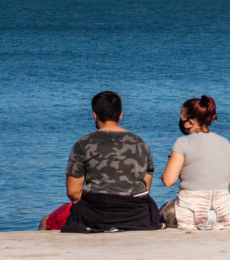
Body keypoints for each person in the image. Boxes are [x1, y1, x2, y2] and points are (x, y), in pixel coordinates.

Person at [39, 91, 162, 232]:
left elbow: (73, 192)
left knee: (46, 222)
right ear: (120, 115)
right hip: (137, 215)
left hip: (96, 214)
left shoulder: (83, 144)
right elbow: (145, 188)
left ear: (94, 115)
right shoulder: (140, 143)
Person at [160, 95, 230, 230]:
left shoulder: (182, 143)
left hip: (191, 214)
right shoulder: (225, 143)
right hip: (225, 214)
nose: (180, 121)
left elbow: (168, 181)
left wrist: (177, 167)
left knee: (163, 210)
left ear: (191, 122)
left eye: (182, 118)